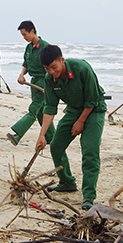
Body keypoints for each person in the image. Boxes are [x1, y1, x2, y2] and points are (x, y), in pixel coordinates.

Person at [36, 45, 106, 210]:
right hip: (74, 109)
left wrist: (80, 122)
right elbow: (50, 108)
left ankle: (88, 195)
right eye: (47, 69)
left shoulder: (82, 68)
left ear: (62, 60)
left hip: (94, 109)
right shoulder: (49, 79)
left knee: (89, 150)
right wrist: (42, 135)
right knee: (56, 146)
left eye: (54, 67)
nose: (52, 72)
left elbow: (92, 100)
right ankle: (67, 181)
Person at [7, 20, 56, 146]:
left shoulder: (45, 47)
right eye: (22, 35)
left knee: (33, 109)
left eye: (25, 34)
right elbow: (26, 64)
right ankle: (52, 137)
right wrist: (22, 75)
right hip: (33, 82)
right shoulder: (29, 48)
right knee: (41, 111)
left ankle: (18, 134)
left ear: (32, 31)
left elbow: (53, 67)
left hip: (43, 81)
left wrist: (50, 85)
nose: (24, 37)